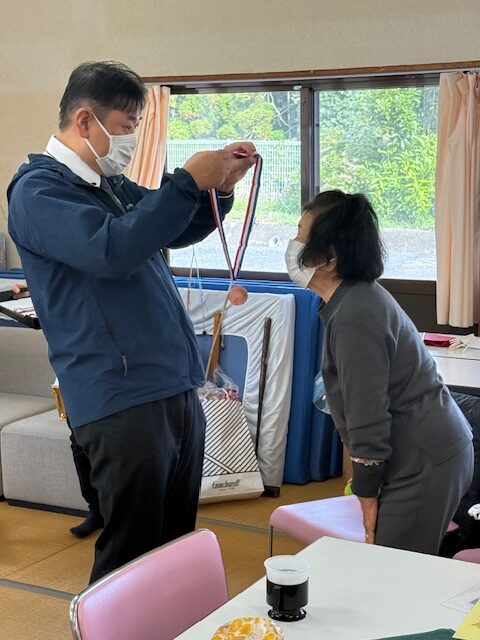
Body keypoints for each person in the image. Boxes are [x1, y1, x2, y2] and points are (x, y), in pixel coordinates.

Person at [7, 61, 256, 583]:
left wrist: (217, 188)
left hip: (170, 383)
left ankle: (171, 621)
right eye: (126, 126)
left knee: (174, 541)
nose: (131, 139)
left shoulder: (109, 184)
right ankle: (109, 621)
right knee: (132, 553)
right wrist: (187, 181)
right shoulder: (38, 191)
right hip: (118, 394)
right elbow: (113, 250)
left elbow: (172, 227)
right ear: (85, 121)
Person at [284, 189, 474, 554]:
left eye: (300, 236)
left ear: (330, 259)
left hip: (423, 461)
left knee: (393, 568)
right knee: (394, 564)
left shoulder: (355, 313)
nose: (293, 246)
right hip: (424, 453)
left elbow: (366, 413)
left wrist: (366, 492)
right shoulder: (353, 299)